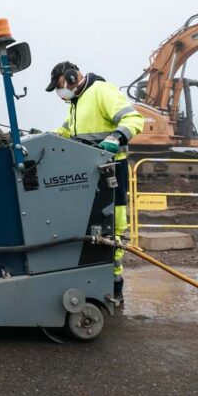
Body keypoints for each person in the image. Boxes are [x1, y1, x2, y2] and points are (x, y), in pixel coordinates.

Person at [46, 62, 144, 304]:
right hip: (89, 173)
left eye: (60, 87)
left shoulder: (101, 91)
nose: (61, 95)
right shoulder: (76, 103)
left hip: (112, 171)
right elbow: (69, 132)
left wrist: (116, 137)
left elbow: (134, 119)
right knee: (89, 229)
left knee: (113, 227)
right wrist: (49, 136)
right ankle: (91, 279)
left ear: (71, 77)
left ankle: (114, 283)